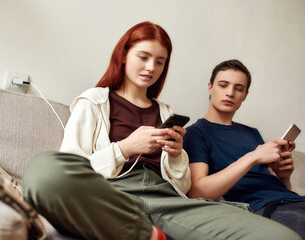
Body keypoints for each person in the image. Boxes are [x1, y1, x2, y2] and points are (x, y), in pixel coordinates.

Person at [23, 23, 301, 240]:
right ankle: (145, 232)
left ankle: (141, 231)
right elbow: (73, 168)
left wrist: (178, 155)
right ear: (123, 55)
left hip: (167, 200)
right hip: (110, 194)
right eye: (143, 57)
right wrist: (125, 148)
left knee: (281, 235)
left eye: (160, 62)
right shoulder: (93, 101)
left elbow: (184, 188)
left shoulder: (166, 112)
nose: (150, 68)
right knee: (43, 168)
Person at [183, 59, 305, 238]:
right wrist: (253, 157)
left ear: (245, 95)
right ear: (210, 88)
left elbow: (277, 187)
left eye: (238, 88)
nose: (230, 93)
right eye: (223, 85)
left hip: (294, 201)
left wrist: (283, 176)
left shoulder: (251, 133)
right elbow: (197, 192)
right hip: (263, 209)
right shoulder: (195, 133)